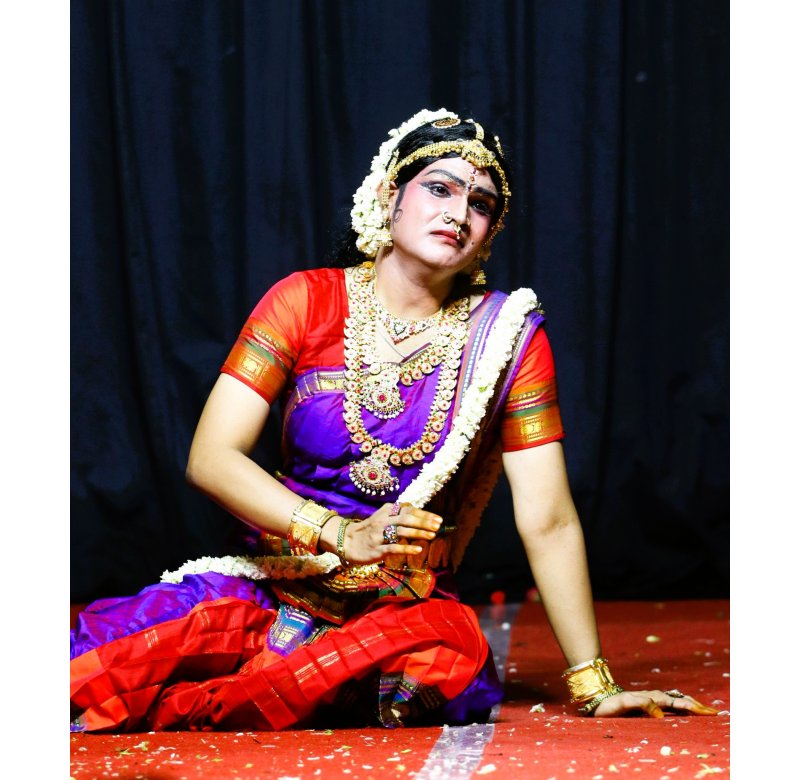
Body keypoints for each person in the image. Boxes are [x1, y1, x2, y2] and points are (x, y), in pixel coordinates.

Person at [70, 108, 718, 732]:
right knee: (113, 657)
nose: (458, 213)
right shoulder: (305, 301)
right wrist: (337, 533)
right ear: (389, 195)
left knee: (445, 658)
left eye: (481, 203)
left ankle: (275, 683)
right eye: (440, 188)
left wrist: (593, 683)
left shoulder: (509, 339)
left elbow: (547, 516)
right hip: (278, 584)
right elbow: (211, 457)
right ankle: (269, 677)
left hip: (402, 609)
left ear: (491, 231)